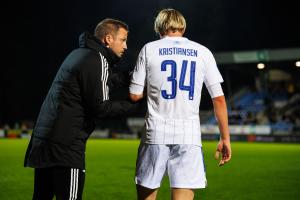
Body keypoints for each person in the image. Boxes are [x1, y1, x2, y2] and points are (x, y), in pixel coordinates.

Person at [24, 18, 142, 200]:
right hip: (66, 148)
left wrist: (129, 76)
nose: (126, 46)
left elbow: (103, 82)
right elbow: (101, 108)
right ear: (109, 39)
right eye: (123, 39)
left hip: (44, 142)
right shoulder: (98, 59)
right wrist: (135, 104)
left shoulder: (80, 54)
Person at [129, 8, 231, 200]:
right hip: (189, 136)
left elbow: (135, 95)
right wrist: (225, 138)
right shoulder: (202, 52)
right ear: (182, 27)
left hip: (155, 133)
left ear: (159, 28)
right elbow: (218, 98)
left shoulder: (149, 49)